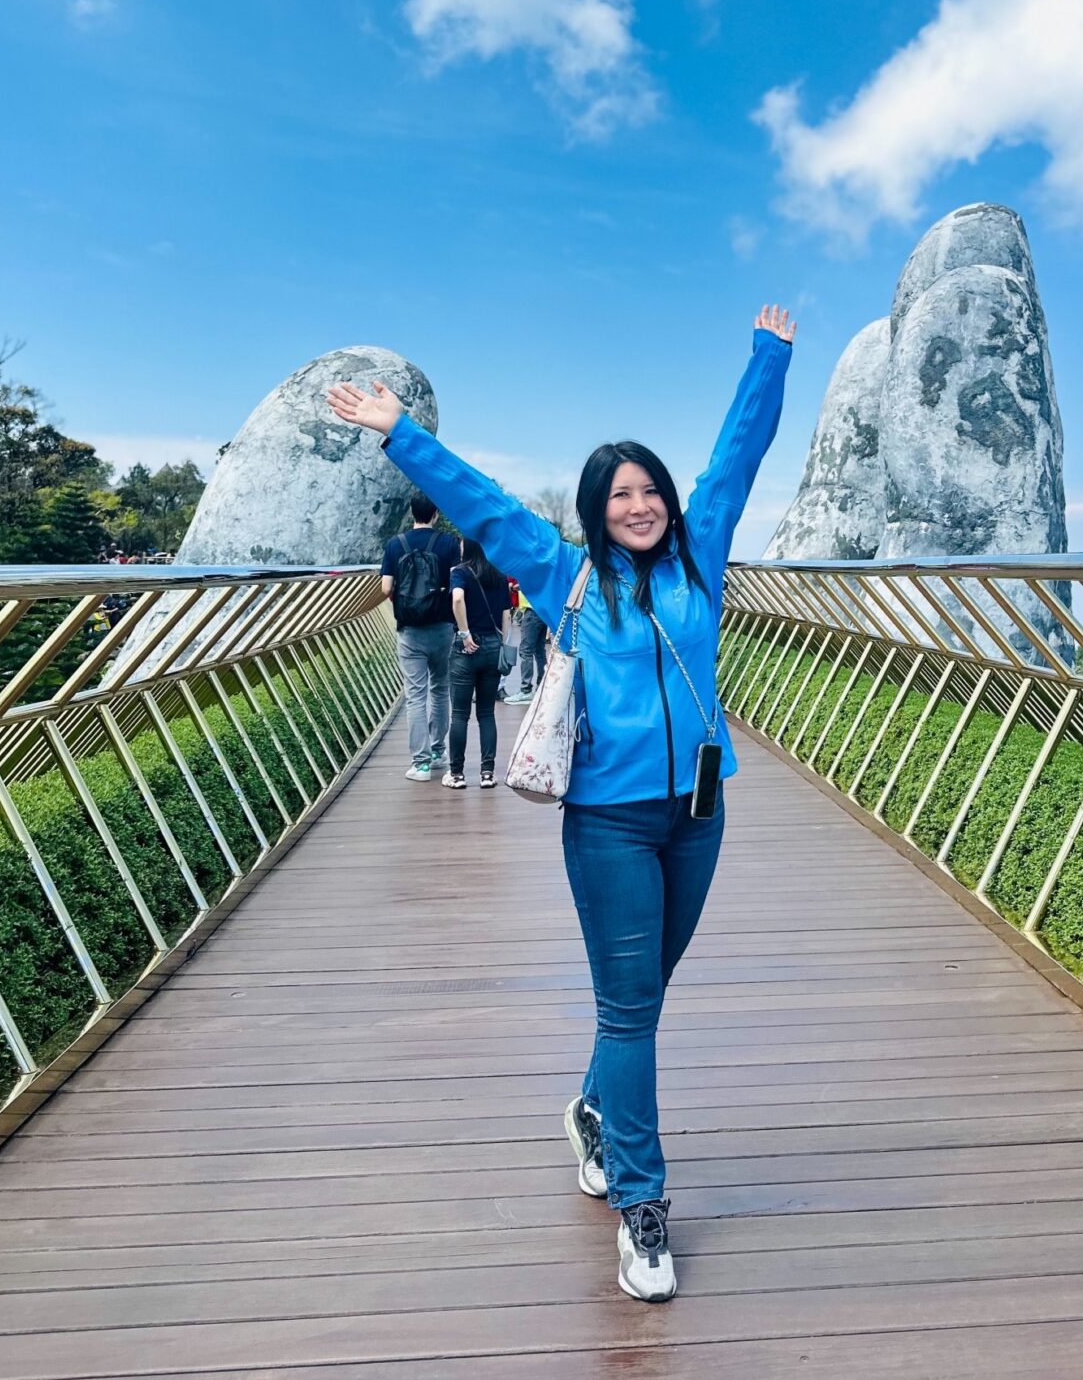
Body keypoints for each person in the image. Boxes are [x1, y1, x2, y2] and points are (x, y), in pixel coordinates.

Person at [326, 304, 794, 1303]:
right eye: (620, 494)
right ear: (596, 507)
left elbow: (738, 457)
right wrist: (400, 435)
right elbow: (485, 507)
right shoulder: (565, 570)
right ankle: (643, 1205)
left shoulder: (700, 557)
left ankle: (592, 1110)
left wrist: (768, 356)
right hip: (611, 823)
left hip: (701, 812)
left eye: (650, 491)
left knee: (646, 995)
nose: (641, 505)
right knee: (631, 1013)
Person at [380, 494, 457, 781]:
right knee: (440, 688)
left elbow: (386, 588)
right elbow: (455, 585)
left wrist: (405, 605)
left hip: (410, 630)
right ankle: (439, 752)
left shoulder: (394, 545)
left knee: (415, 695)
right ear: (436, 513)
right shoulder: (448, 543)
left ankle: (421, 764)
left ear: (412, 512)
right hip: (442, 628)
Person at [446, 538, 514, 789]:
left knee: (460, 715)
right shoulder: (499, 574)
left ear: (468, 546)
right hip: (492, 647)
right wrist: (502, 645)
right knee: (486, 713)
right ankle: (487, 773)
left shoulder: (460, 572)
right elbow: (507, 613)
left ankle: (456, 774)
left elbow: (457, 599)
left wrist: (465, 634)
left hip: (466, 649)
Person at [506, 594, 547, 705]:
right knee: (539, 650)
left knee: (525, 651)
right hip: (541, 609)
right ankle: (542, 685)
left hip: (531, 609)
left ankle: (526, 689)